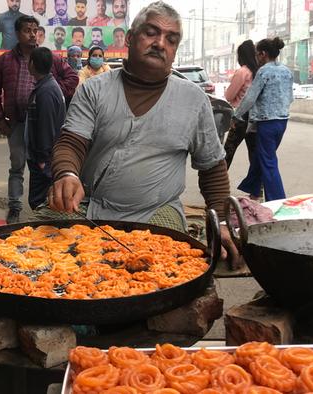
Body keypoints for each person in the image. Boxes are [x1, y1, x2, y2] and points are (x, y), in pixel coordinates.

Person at [43, 1, 241, 266]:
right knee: (31, 247)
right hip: (88, 207)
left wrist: (223, 223)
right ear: (130, 37)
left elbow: (212, 169)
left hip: (157, 211)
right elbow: (71, 142)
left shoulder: (194, 100)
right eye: (151, 33)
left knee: (159, 268)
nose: (160, 43)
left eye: (171, 39)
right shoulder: (94, 90)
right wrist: (67, 174)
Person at [0, 16, 79, 224]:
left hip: (43, 123)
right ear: (17, 34)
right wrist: (0, 118)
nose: (32, 34)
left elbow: (72, 78)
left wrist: (54, 93)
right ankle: (14, 207)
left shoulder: (49, 58)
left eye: (35, 30)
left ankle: (48, 210)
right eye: (27, 30)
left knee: (45, 165)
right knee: (17, 165)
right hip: (18, 123)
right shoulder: (5, 60)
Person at [233, 37, 294, 202]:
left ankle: (277, 201)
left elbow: (250, 98)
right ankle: (253, 191)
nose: (256, 58)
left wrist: (236, 115)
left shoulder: (264, 71)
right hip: (282, 122)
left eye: (257, 55)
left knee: (268, 162)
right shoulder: (286, 71)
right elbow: (290, 98)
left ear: (263, 54)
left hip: (266, 123)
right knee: (263, 157)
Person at [25, 47, 67, 209]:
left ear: (33, 64)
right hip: (42, 156)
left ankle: (43, 231)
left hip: (43, 159)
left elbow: (46, 127)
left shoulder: (46, 91)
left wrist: (43, 159)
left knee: (39, 201)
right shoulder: (46, 87)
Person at [223, 40, 258, 169]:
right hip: (255, 118)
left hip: (241, 117)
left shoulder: (242, 72)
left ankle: (218, 184)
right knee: (254, 155)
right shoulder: (259, 72)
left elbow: (229, 96)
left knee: (228, 152)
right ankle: (257, 188)